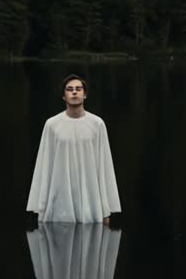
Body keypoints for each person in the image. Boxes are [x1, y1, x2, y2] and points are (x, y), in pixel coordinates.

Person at [26, 74, 122, 224]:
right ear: (64, 96)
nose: (74, 92)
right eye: (69, 89)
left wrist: (105, 209)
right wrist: (42, 205)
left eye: (78, 89)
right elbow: (45, 165)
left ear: (85, 95)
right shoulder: (52, 125)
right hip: (59, 199)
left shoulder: (97, 124)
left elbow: (104, 166)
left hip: (90, 198)